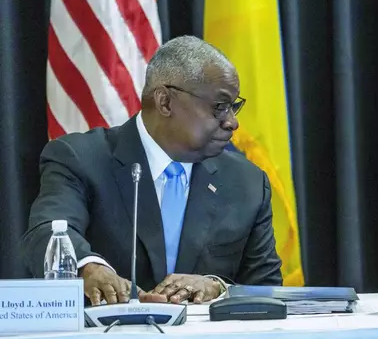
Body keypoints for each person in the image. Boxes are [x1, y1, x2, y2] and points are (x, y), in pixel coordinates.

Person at [22, 36, 282, 305]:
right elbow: (47, 233)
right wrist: (89, 268)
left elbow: (267, 289)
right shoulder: (80, 158)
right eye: (220, 107)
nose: (232, 122)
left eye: (233, 107)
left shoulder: (246, 182)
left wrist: (218, 287)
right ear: (166, 102)